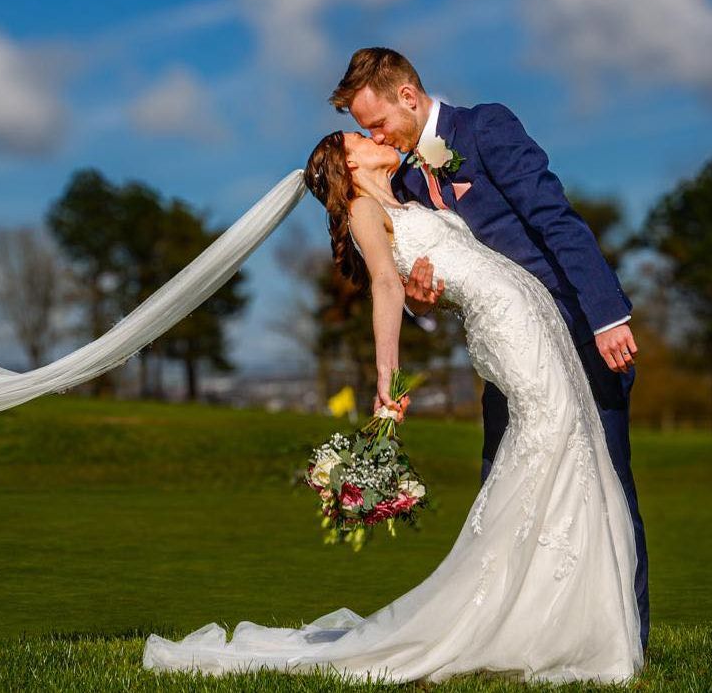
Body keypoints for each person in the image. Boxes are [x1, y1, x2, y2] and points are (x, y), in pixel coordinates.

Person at [141, 131, 641, 683]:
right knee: (549, 440)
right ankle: (524, 622)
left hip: (530, 314)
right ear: (349, 162)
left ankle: (559, 618)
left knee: (569, 443)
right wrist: (388, 378)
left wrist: (434, 286)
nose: (376, 136)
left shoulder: (408, 198)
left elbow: (435, 275)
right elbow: (385, 283)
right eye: (361, 136)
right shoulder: (362, 209)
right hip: (507, 326)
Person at [337, 47, 649, 649]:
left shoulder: (485, 127)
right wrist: (422, 304)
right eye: (361, 130)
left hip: (579, 333)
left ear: (407, 95)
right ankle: (500, 639)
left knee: (607, 486)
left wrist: (607, 315)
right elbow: (432, 284)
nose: (371, 135)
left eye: (375, 124)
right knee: (503, 491)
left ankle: (626, 639)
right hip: (509, 358)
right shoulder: (395, 185)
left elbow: (555, 219)